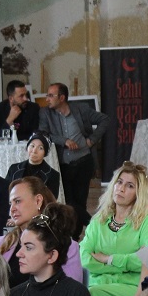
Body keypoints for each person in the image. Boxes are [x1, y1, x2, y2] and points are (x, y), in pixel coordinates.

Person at [80, 161, 148, 296]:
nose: (121, 189)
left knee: (89, 295)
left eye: (130, 186)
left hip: (132, 288)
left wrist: (108, 259)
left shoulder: (147, 221)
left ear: (139, 193)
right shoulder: (99, 219)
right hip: (97, 284)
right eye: (119, 182)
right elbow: (85, 259)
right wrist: (127, 262)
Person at [6, 215, 97, 296]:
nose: (18, 254)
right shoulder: (14, 295)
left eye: (28, 247)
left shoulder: (76, 295)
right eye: (21, 246)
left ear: (52, 255)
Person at [0, 178, 83, 284]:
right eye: (11, 204)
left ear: (38, 201)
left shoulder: (67, 246)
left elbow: (71, 293)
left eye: (17, 201)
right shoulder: (1, 242)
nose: (11, 209)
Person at [43, 82, 106, 216]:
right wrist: (64, 140)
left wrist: (92, 140)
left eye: (50, 95)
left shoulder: (81, 109)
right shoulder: (46, 113)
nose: (47, 99)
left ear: (62, 98)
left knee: (81, 200)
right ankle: (90, 223)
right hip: (63, 164)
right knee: (69, 202)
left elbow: (105, 120)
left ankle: (77, 234)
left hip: (84, 161)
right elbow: (44, 133)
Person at [2, 132, 64, 206]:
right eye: (32, 146)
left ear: (45, 153)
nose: (34, 151)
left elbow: (50, 204)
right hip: (15, 212)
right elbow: (5, 193)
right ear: (27, 147)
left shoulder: (53, 174)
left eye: (40, 148)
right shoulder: (14, 168)